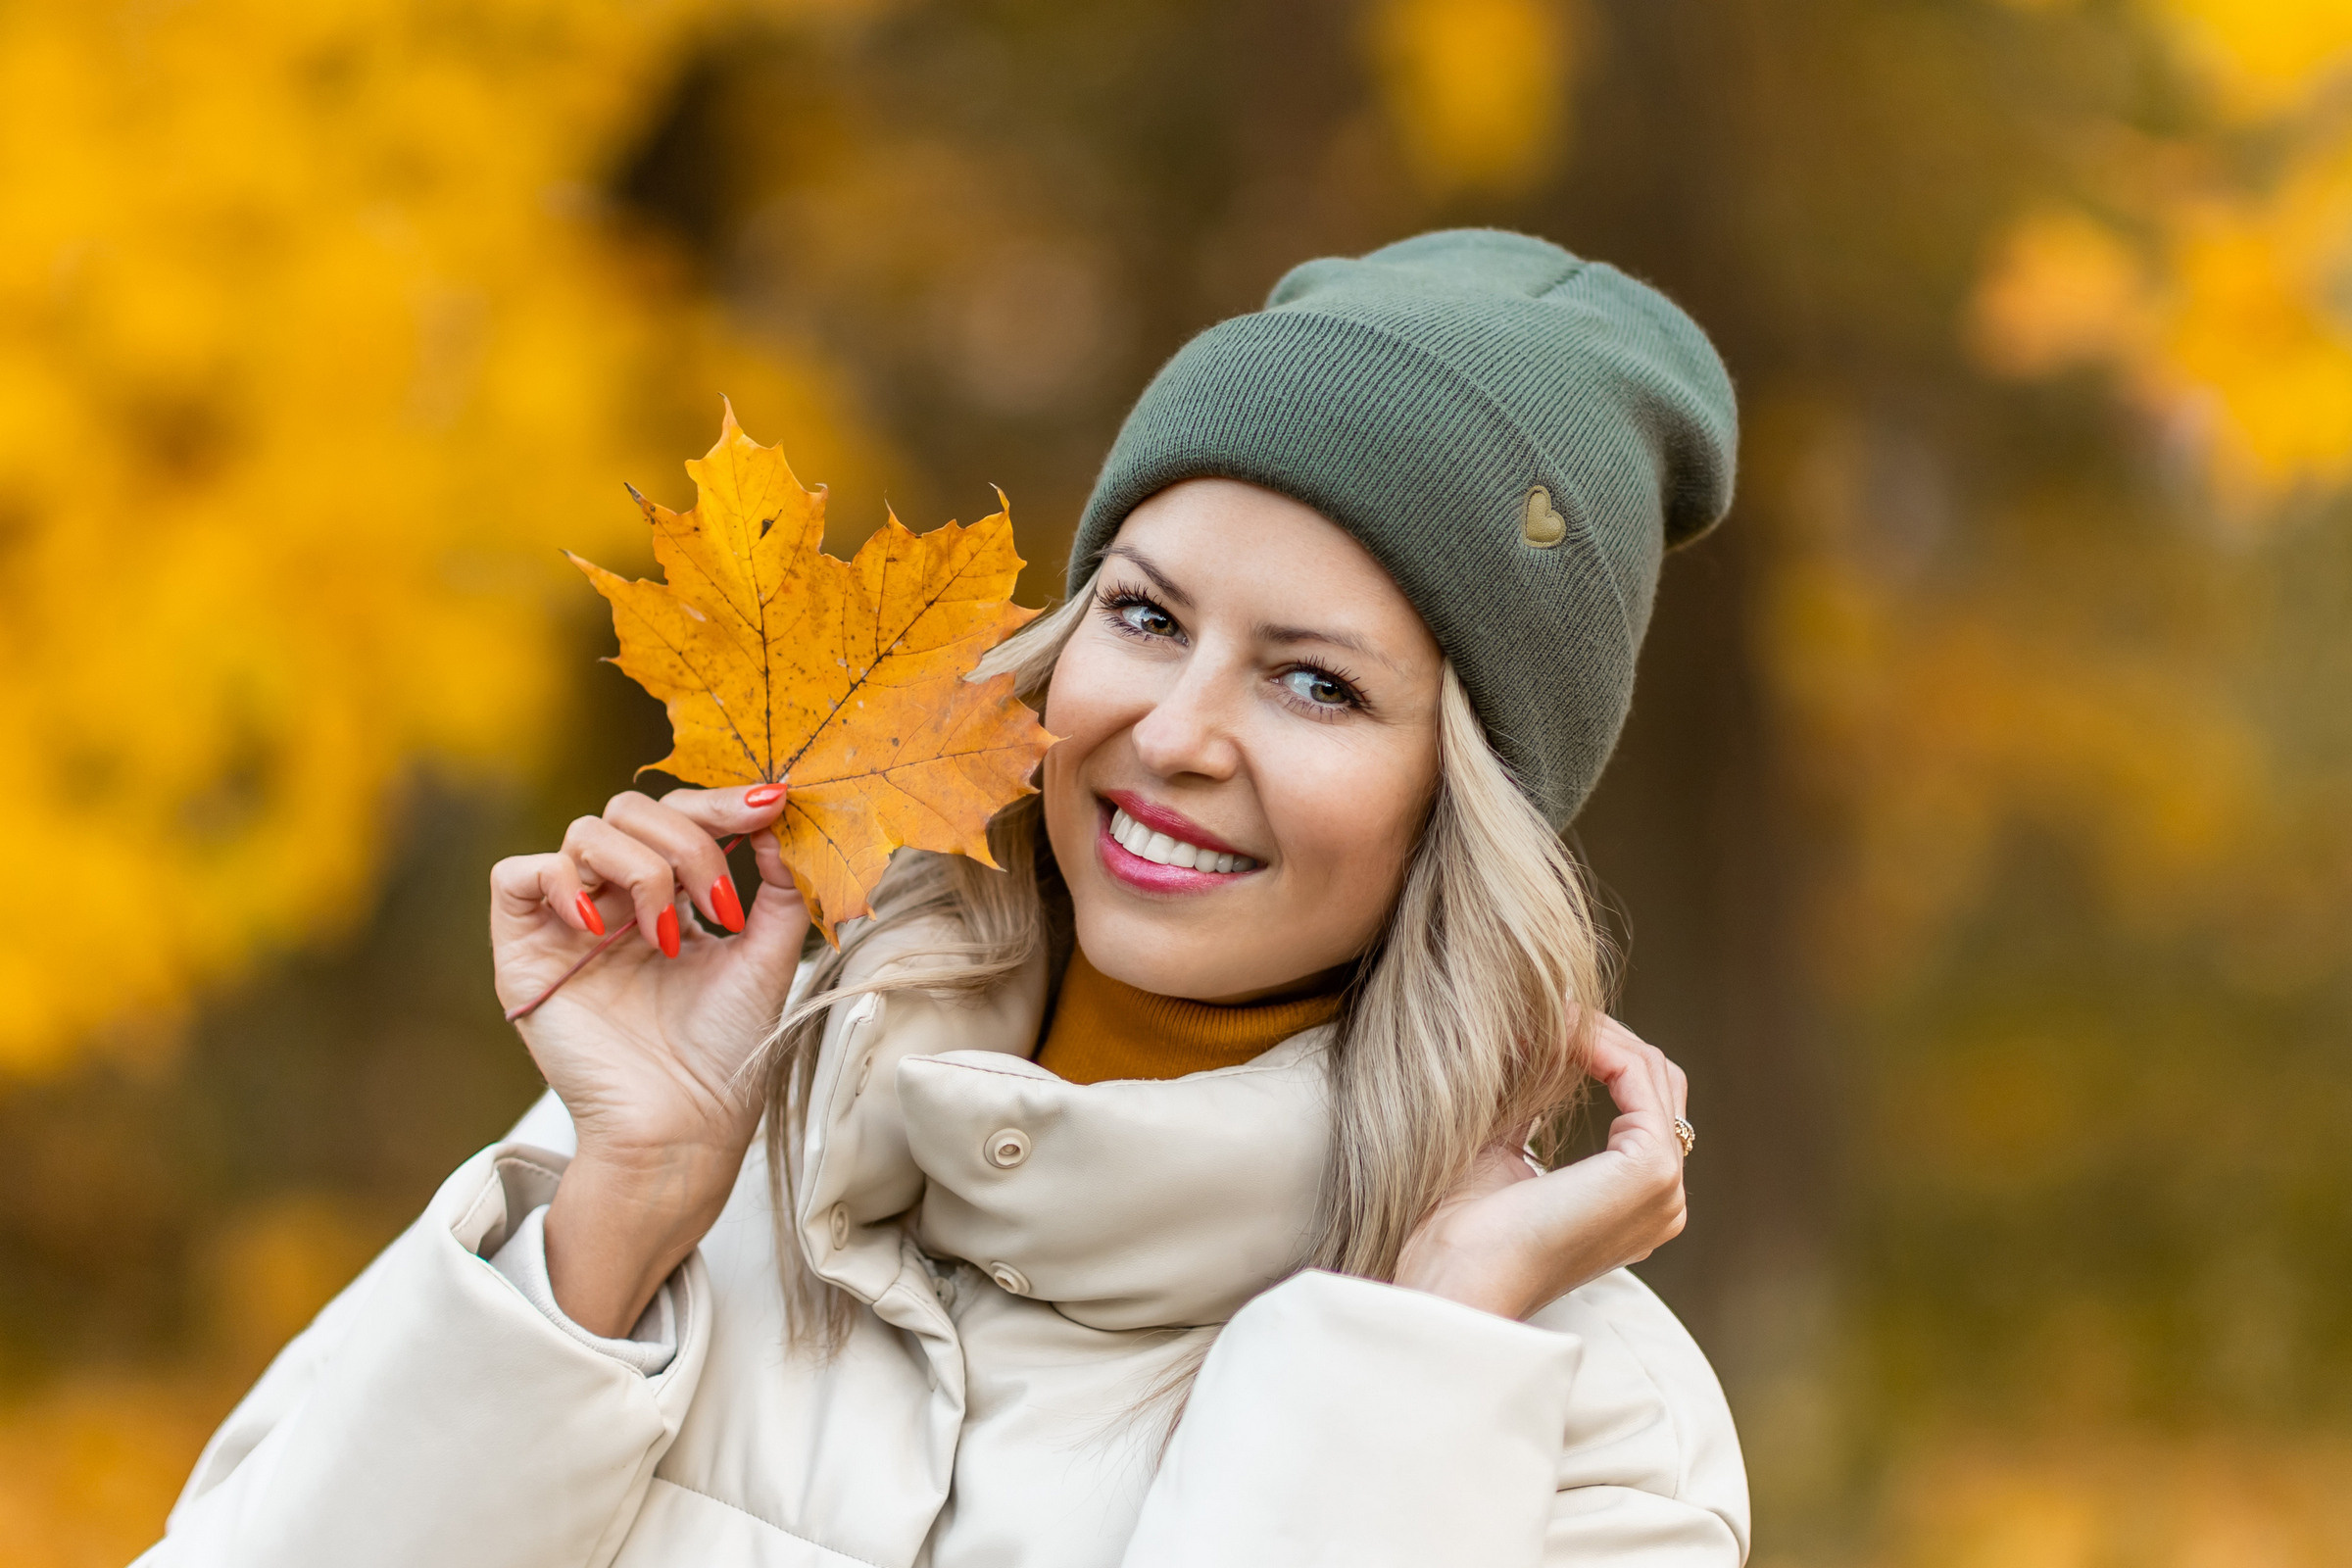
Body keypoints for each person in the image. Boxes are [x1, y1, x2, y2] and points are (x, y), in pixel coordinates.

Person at [141, 228, 1747, 1567]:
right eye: (1145, 616)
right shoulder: (687, 1146)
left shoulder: (1577, 1420)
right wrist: (610, 1226)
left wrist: (1413, 1361)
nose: (1174, 733)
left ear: (1466, 805)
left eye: (1316, 684)